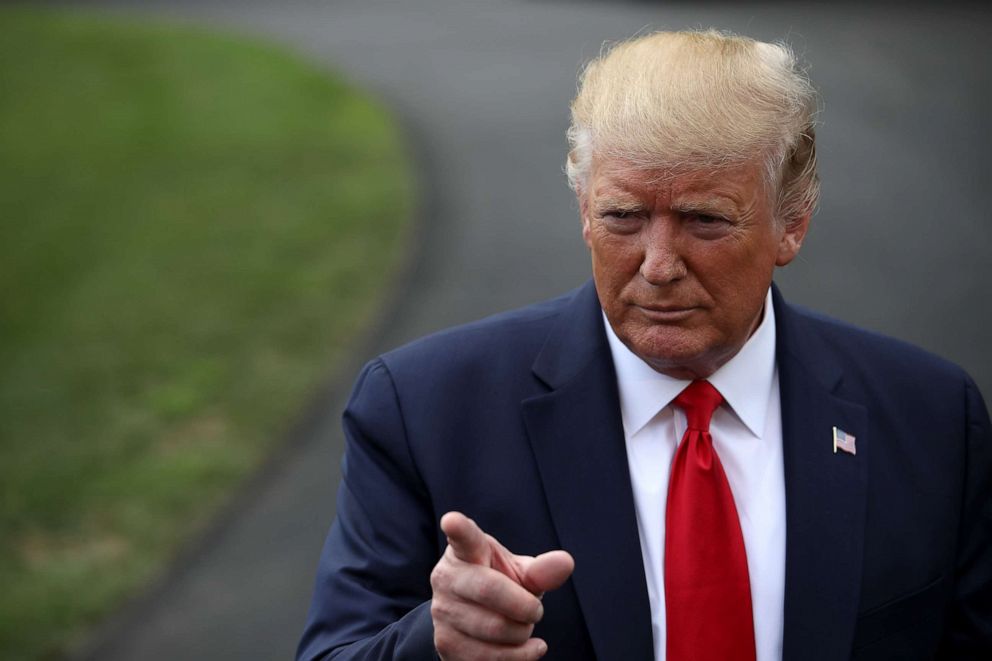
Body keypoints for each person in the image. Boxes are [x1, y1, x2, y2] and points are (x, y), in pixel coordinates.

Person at [297, 30, 992, 661]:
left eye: (704, 220)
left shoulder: (932, 417)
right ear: (583, 213)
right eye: (624, 217)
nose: (658, 264)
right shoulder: (424, 408)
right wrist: (436, 642)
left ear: (793, 223)